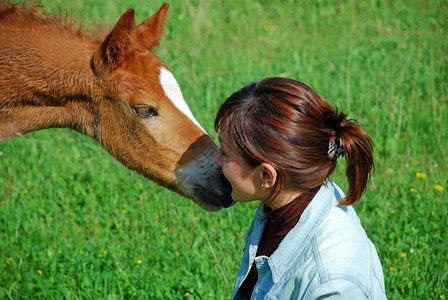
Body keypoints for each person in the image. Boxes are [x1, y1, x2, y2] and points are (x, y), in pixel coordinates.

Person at [214, 77, 386, 299]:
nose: (216, 158)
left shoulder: (334, 286)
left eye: (225, 153)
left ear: (266, 175)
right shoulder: (286, 198)